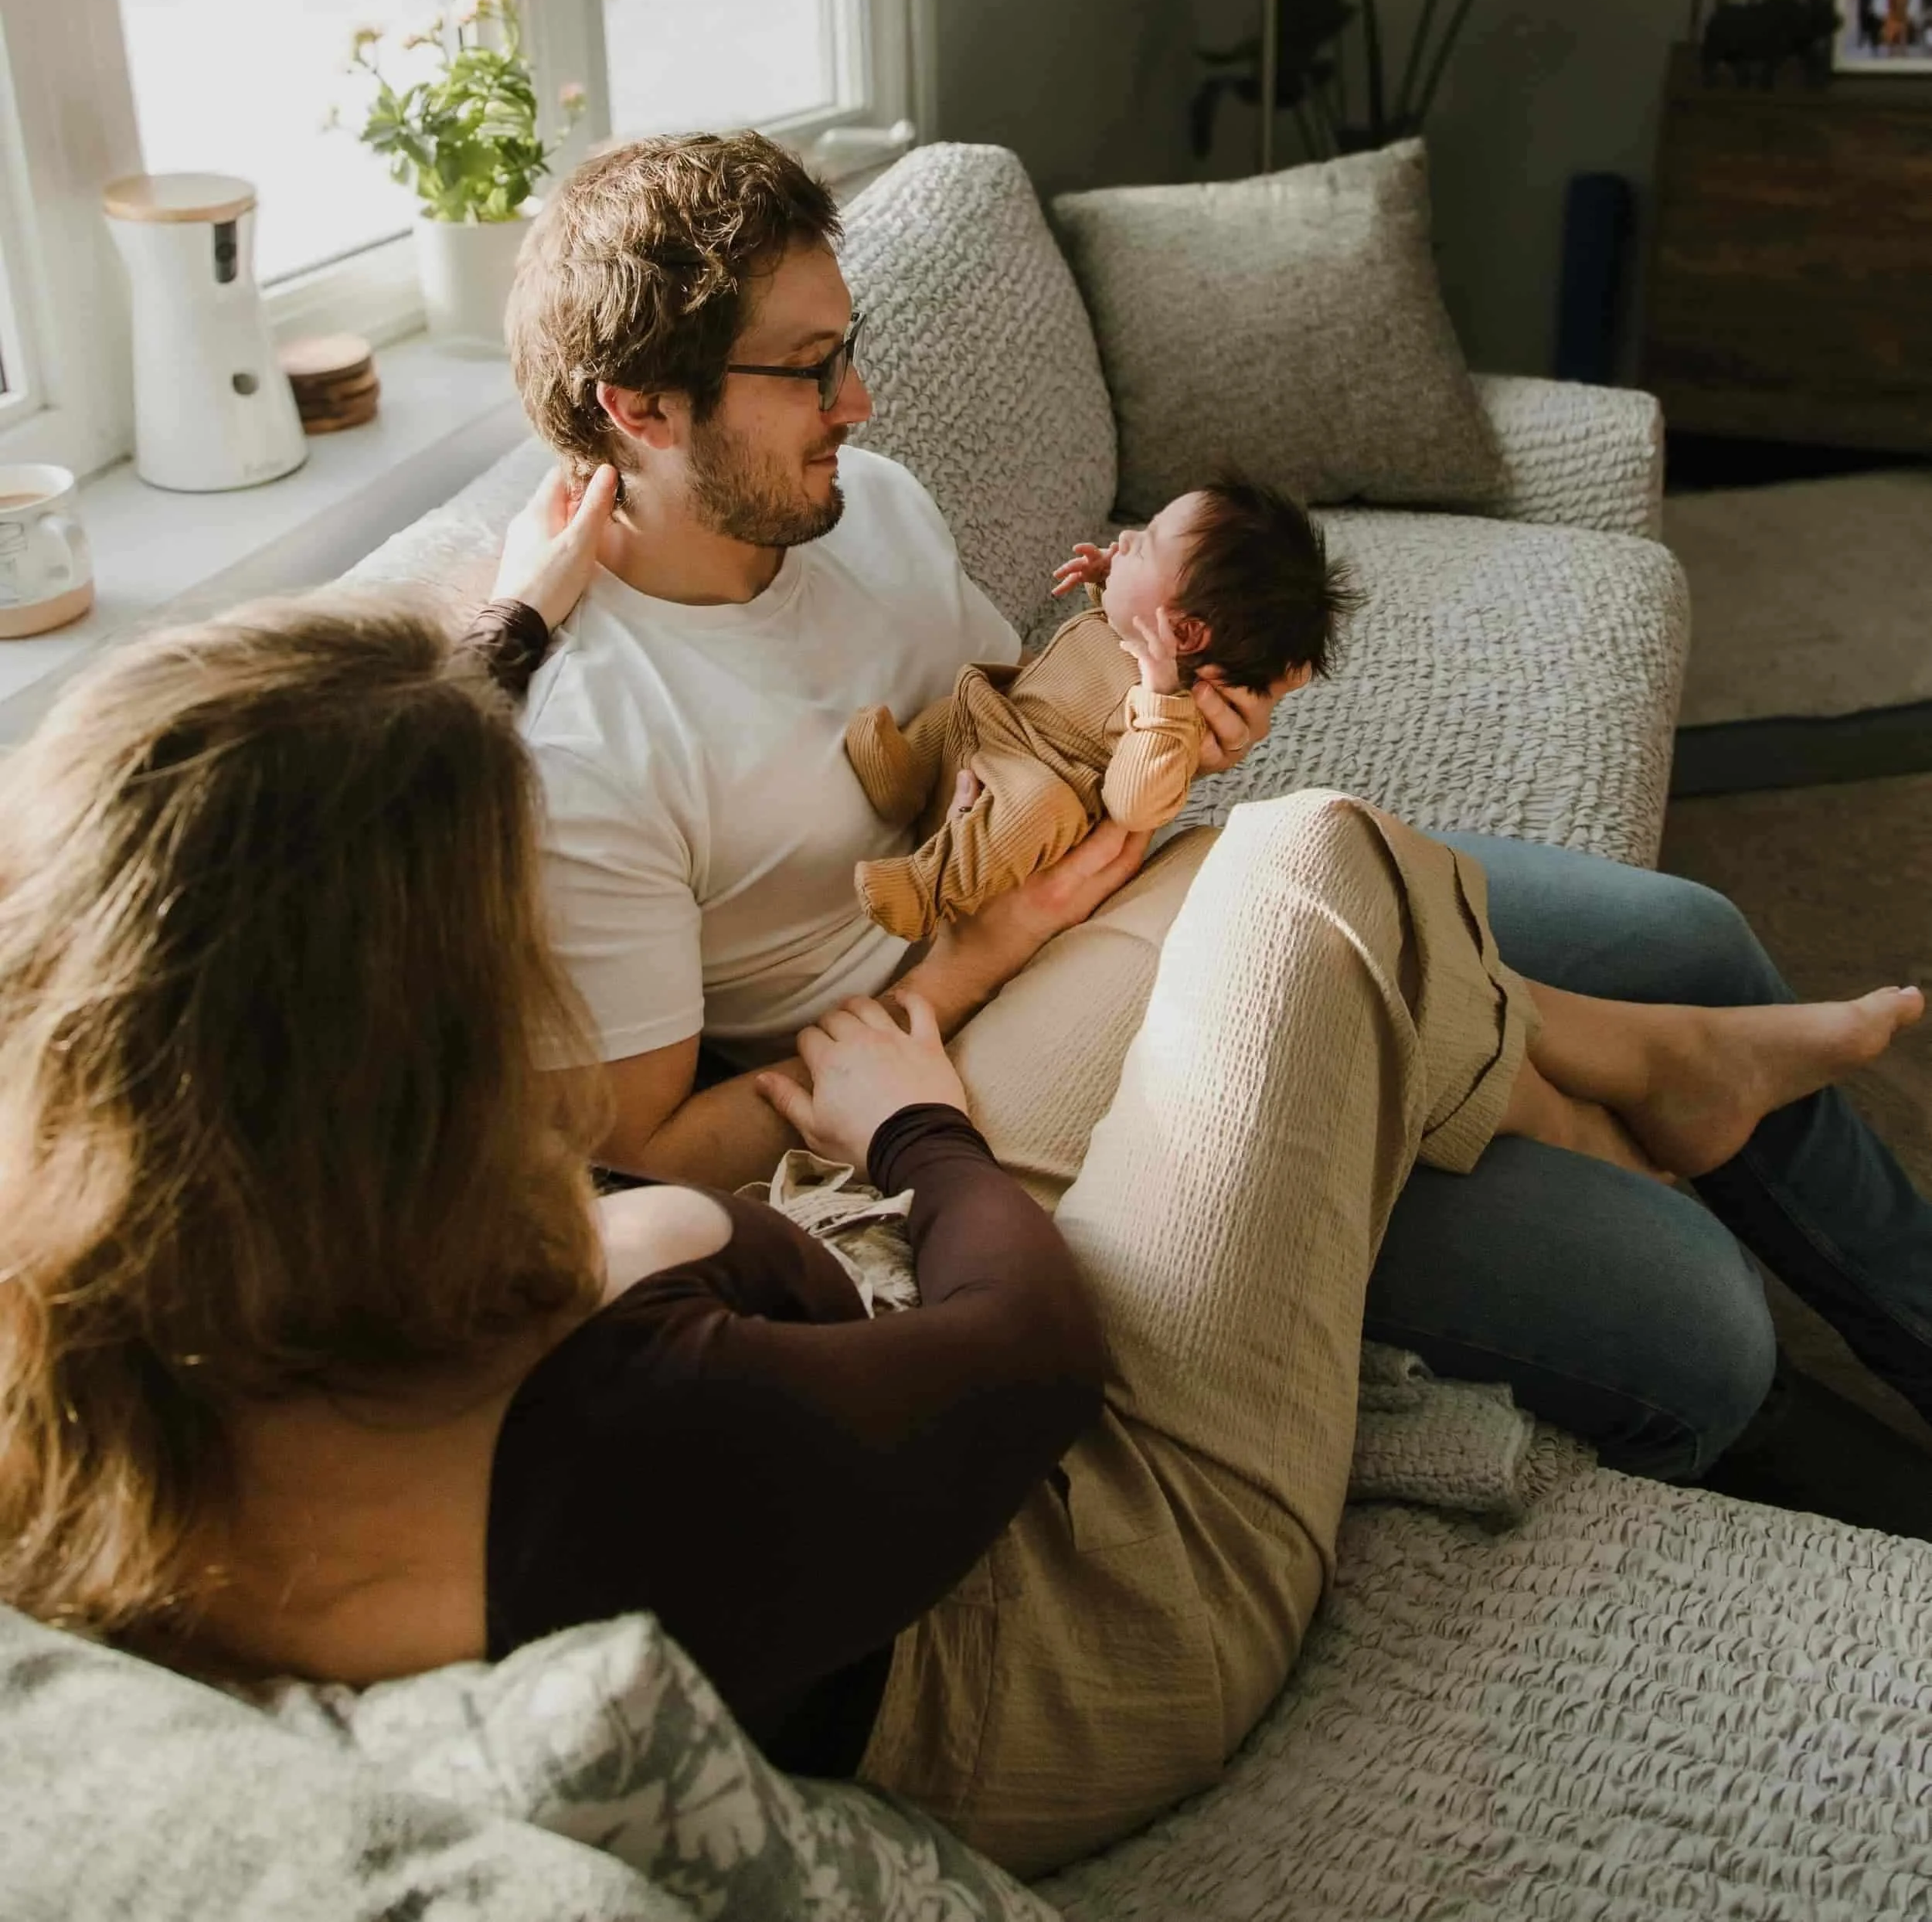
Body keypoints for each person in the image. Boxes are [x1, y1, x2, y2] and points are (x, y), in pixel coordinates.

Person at [0, 563, 1918, 1877]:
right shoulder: (606, 1424)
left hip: (869, 1317)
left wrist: (508, 613)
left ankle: (1607, 1064)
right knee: (1319, 850)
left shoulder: (125, 1287)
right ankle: (1630, 1083)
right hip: (1097, 1580)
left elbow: (271, 845)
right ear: (391, 1046)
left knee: (1208, 870)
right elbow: (1029, 1357)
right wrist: (916, 1130)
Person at [505, 131, 1932, 1485]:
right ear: (640, 408)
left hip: (1130, 894)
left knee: (1691, 938)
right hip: (972, 1061)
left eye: (850, 351)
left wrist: (1177, 720)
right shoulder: (590, 749)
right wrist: (982, 957)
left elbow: (1013, 737)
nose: (860, 405)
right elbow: (646, 1165)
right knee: (1699, 1329)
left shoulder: (863, 504)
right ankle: (1692, 1209)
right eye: (812, 371)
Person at [845, 477, 1349, 937]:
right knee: (960, 701)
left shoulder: (1174, 713)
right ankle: (906, 779)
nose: (1125, 539)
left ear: (1184, 632)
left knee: (1042, 807)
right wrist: (1108, 579)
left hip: (1024, 786)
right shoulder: (1140, 632)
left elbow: (1135, 806)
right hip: (998, 723)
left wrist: (1158, 704)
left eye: (1145, 546)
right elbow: (1112, 631)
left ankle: (928, 888)